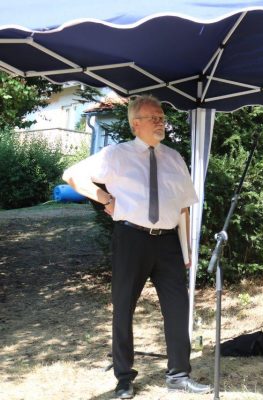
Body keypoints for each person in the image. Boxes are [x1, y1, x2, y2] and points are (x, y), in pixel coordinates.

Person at [63, 95, 210, 399]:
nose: (161, 122)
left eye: (162, 117)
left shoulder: (174, 157)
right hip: (131, 239)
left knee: (178, 307)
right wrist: (105, 199)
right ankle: (124, 378)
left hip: (168, 241)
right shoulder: (116, 155)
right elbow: (72, 176)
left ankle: (179, 374)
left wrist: (186, 249)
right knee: (124, 308)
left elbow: (184, 207)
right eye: (153, 118)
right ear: (135, 124)